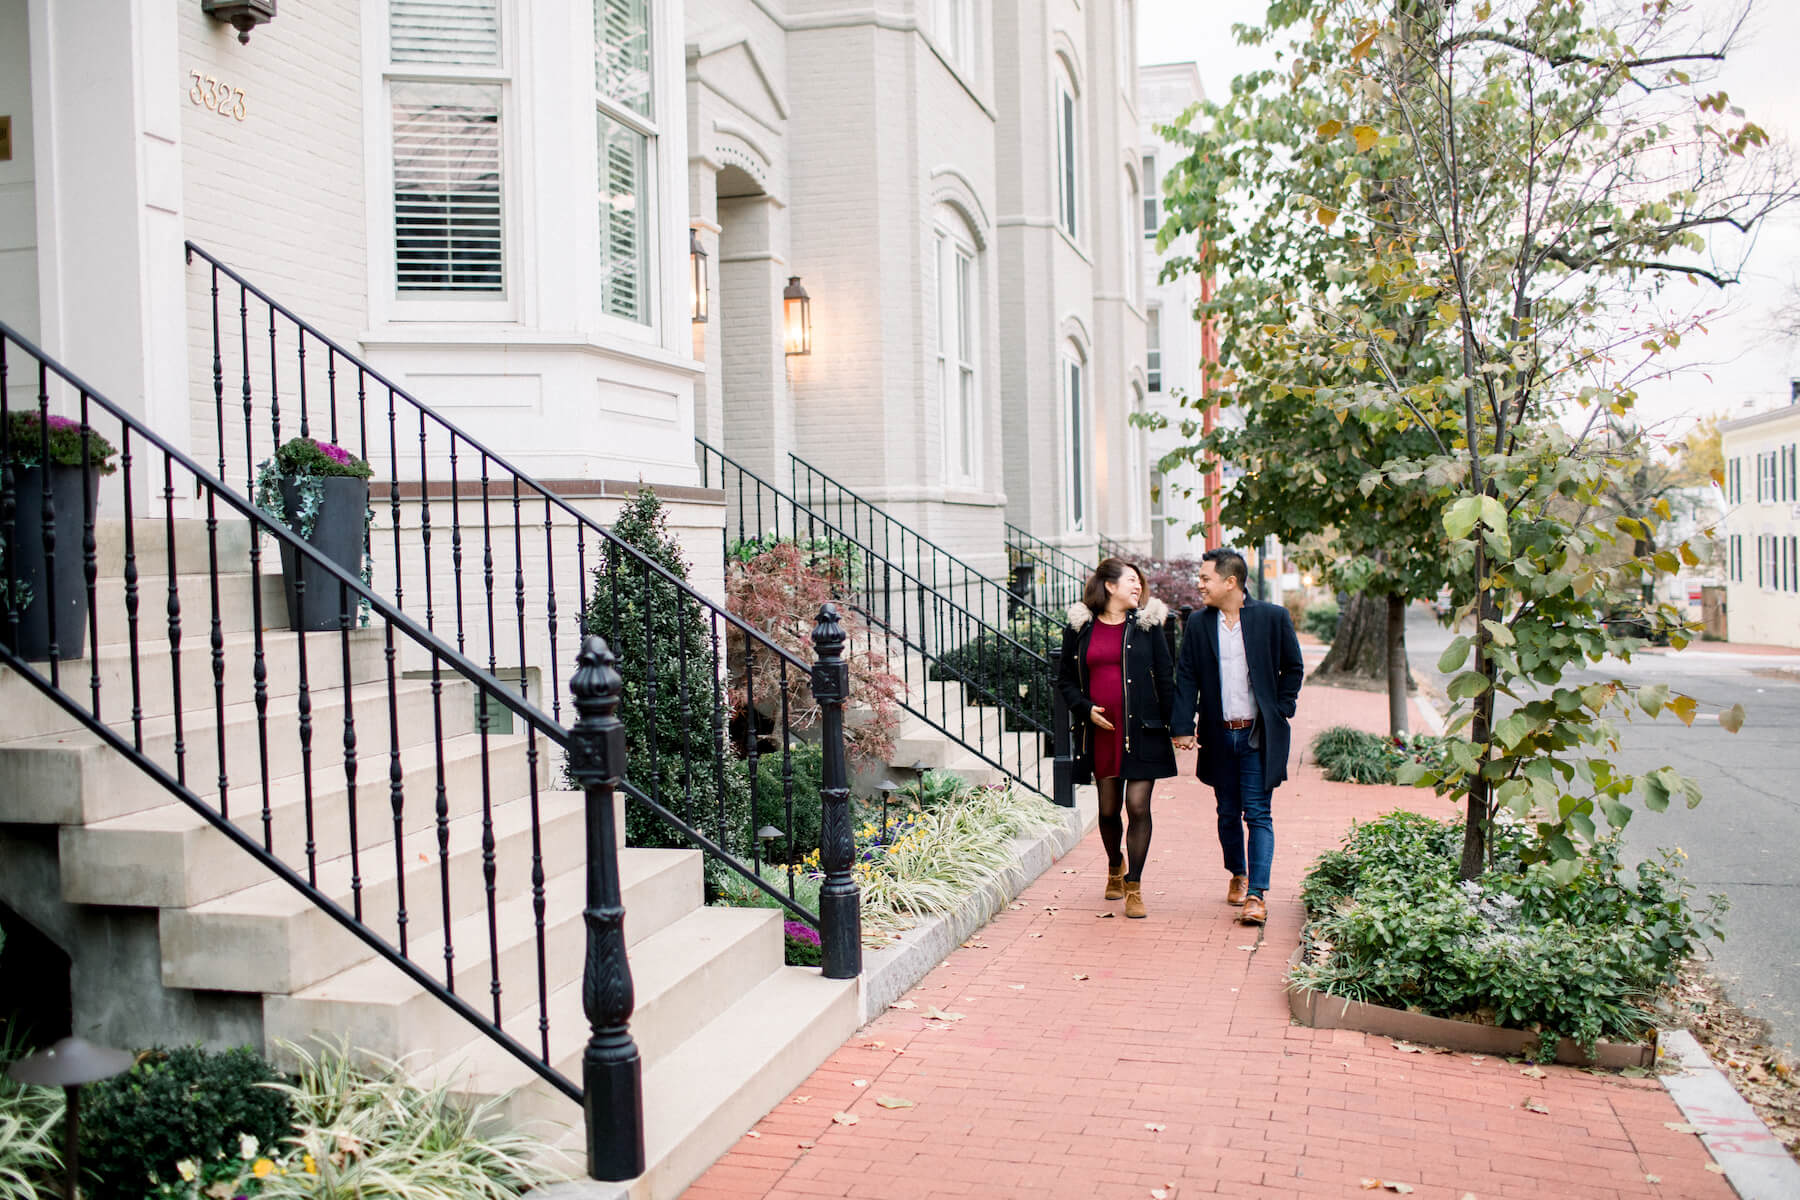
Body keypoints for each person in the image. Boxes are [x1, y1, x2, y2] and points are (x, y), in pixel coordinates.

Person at [1171, 547, 1305, 926]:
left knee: (1258, 812)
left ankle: (1257, 895)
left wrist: (1281, 709)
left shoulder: (1272, 618)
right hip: (1218, 734)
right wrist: (1182, 726)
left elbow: (1292, 668)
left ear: (1230, 582)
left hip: (1257, 735)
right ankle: (1238, 873)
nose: (1199, 584)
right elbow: (1187, 676)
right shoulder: (1198, 623)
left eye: (1205, 578)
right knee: (1227, 813)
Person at [1056, 558, 1177, 918]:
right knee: (1109, 810)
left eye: (1139, 581)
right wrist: (1084, 707)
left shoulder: (1148, 627)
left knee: (1139, 806)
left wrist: (1179, 726)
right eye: (1130, 581)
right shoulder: (1080, 628)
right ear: (1109, 586)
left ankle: (1134, 884)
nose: (1137, 586)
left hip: (1143, 732)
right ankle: (1114, 865)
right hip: (1102, 733)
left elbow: (1166, 677)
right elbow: (1065, 680)